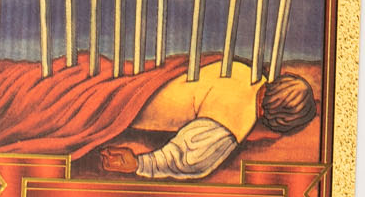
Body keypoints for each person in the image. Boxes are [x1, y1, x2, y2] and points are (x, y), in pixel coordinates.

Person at [92, 66, 317, 180]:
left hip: (143, 82)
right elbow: (186, 160)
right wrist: (139, 164)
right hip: (128, 104)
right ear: (279, 121)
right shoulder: (236, 120)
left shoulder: (247, 72)